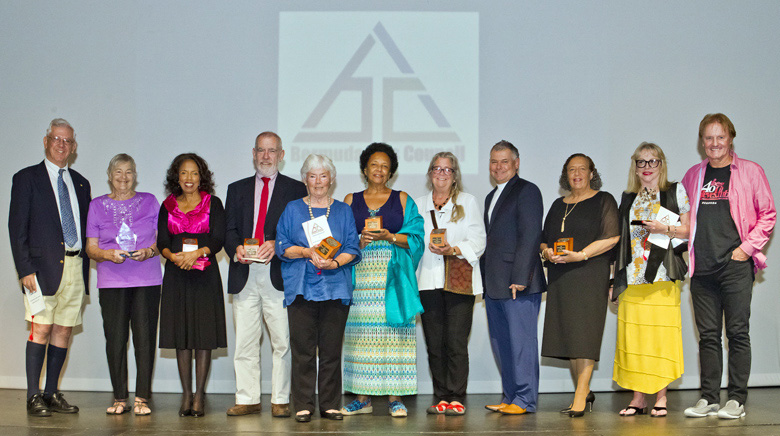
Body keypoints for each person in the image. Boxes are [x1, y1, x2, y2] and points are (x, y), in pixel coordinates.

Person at [681, 113, 776, 420]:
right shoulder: (693, 175)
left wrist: (746, 249)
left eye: (720, 137)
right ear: (702, 142)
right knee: (708, 336)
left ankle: (736, 399)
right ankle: (709, 398)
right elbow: (683, 218)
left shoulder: (750, 171)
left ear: (731, 138)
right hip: (702, 268)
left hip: (735, 267)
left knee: (736, 333)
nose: (714, 143)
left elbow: (768, 214)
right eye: (708, 138)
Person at [9, 118, 91, 417]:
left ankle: (51, 392)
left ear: (74, 146)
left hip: (75, 265)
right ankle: (33, 395)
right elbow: (16, 228)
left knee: (63, 331)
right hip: (40, 270)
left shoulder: (81, 183)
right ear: (46, 141)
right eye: (56, 138)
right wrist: (24, 269)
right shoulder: (26, 178)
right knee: (41, 329)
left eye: (67, 140)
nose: (61, 144)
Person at [224, 131, 307, 418]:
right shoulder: (236, 189)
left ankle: (280, 399)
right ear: (253, 153)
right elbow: (228, 230)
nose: (266, 156)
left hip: (279, 273)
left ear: (281, 155)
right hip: (244, 272)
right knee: (245, 341)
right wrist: (236, 248)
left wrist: (277, 244)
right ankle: (247, 398)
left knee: (282, 341)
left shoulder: (296, 189)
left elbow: (301, 231)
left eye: (272, 151)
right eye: (261, 150)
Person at [341, 142, 425, 418]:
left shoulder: (402, 199)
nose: (379, 170)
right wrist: (358, 242)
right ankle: (361, 399)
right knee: (361, 338)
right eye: (374, 165)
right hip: (361, 279)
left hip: (394, 277)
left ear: (391, 172)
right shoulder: (350, 200)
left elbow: (417, 237)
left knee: (395, 334)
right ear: (365, 169)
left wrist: (391, 236)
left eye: (385, 166)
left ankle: (395, 398)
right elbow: (339, 240)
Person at [275, 154, 361, 422]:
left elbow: (352, 248)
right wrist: (305, 251)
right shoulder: (292, 209)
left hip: (336, 287)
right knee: (302, 350)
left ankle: (330, 404)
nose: (318, 181)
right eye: (312, 176)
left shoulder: (343, 210)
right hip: (301, 287)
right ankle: (303, 404)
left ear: (331, 179)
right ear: (305, 180)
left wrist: (334, 262)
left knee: (331, 350)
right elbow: (281, 246)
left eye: (323, 175)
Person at [611, 143, 690, 417]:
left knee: (660, 339)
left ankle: (661, 397)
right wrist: (613, 280)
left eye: (652, 161)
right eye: (641, 162)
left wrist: (664, 228)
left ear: (661, 164)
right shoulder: (627, 197)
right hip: (633, 279)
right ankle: (637, 399)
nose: (647, 167)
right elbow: (621, 242)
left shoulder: (674, 191)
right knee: (635, 340)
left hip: (662, 277)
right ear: (635, 167)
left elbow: (688, 229)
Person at [540, 153, 619, 417]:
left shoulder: (604, 200)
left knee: (585, 335)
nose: (577, 174)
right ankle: (583, 391)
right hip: (561, 277)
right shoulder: (557, 204)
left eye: (582, 169)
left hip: (589, 274)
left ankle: (579, 396)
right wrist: (546, 252)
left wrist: (582, 255)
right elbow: (544, 239)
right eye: (571, 169)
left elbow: (612, 237)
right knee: (571, 337)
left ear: (591, 173)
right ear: (566, 174)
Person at [86, 154, 162, 416]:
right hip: (111, 281)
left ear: (135, 175)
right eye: (118, 172)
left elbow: (162, 241)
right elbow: (91, 248)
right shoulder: (96, 205)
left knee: (144, 339)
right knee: (115, 340)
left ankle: (142, 398)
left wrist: (149, 252)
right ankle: (120, 397)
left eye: (129, 171)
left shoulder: (150, 201)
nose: (123, 177)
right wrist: (108, 255)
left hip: (147, 280)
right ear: (110, 176)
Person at [415, 152, 486, 416]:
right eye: (437, 169)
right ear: (430, 173)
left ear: (455, 176)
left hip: (459, 282)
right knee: (435, 344)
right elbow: (412, 241)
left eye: (447, 169)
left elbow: (479, 240)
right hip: (427, 281)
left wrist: (452, 249)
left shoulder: (467, 202)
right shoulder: (418, 205)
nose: (442, 174)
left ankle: (456, 397)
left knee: (455, 342)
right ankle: (441, 397)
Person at [157, 153, 227, 417]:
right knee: (182, 336)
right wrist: (173, 257)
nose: (189, 178)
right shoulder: (167, 205)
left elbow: (218, 239)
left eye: (194, 173)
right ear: (177, 177)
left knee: (203, 336)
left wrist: (197, 253)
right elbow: (162, 242)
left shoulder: (213, 203)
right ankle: (186, 394)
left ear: (201, 177)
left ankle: (199, 395)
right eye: (184, 173)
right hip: (177, 275)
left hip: (205, 275)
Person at [482, 140, 547, 415]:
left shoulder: (527, 190)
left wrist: (521, 277)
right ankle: (510, 396)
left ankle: (525, 400)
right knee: (503, 345)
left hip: (518, 283)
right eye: (494, 161)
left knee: (522, 345)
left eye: (504, 161)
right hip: (494, 284)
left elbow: (531, 235)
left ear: (516, 164)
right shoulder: (491, 196)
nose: (498, 167)